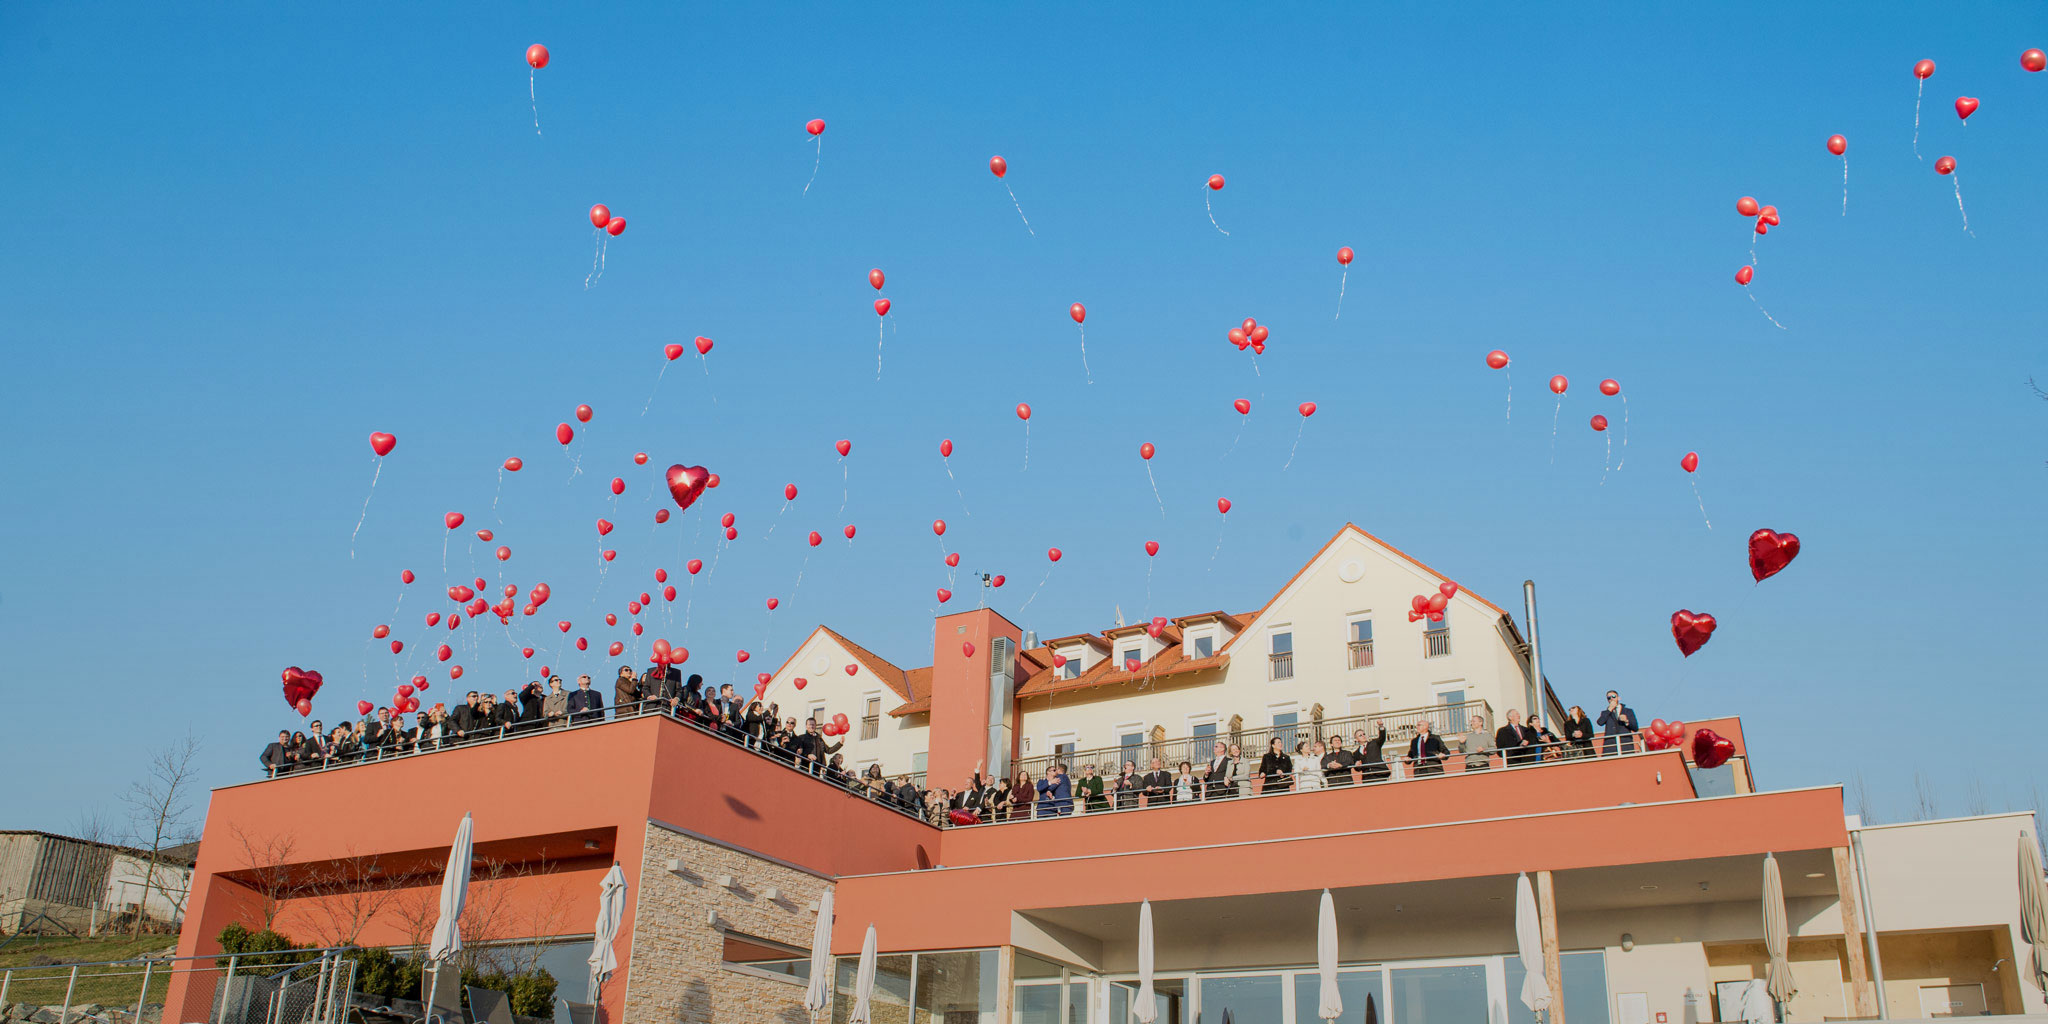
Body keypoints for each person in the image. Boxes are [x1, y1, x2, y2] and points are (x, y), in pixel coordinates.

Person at [1597, 690, 1638, 755]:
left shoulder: (1628, 711)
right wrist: (1609, 710)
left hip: (1625, 745)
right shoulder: (1605, 713)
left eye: (1613, 696)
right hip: (1610, 746)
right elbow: (1600, 722)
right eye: (1609, 698)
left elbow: (1635, 727)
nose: (1611, 699)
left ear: (1618, 698)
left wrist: (1626, 721)